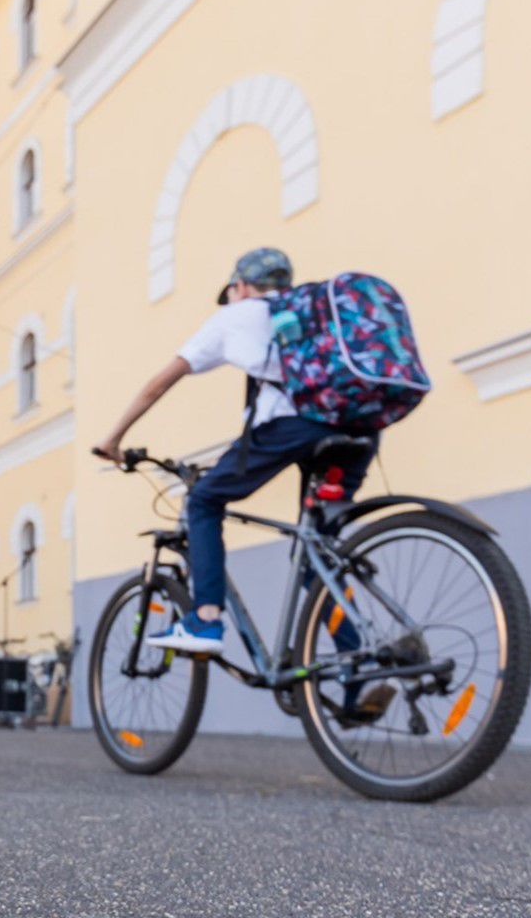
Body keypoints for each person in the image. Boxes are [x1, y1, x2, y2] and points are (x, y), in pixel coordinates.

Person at [93, 247, 376, 657]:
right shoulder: (311, 314)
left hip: (292, 429)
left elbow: (159, 384)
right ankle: (358, 671)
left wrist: (112, 440)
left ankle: (205, 618)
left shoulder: (234, 315)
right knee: (317, 556)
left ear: (239, 286)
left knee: (204, 499)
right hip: (358, 429)